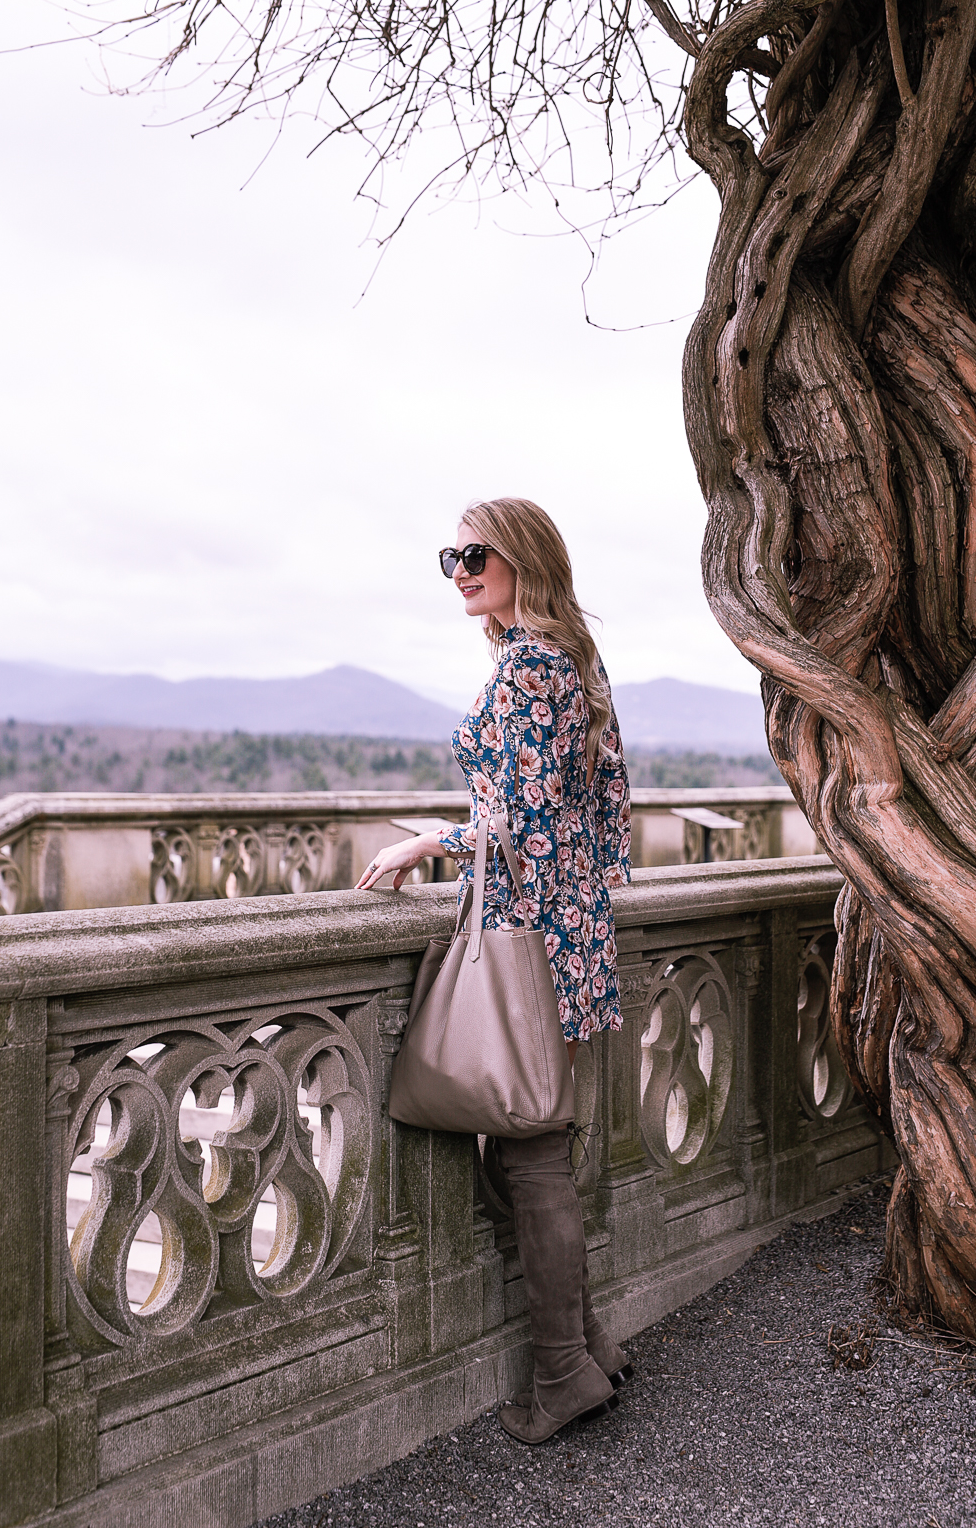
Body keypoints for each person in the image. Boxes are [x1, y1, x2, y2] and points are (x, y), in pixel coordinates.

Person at [356, 496, 634, 1443]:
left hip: (524, 929)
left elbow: (517, 821)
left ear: (524, 559)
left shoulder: (529, 668)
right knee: (540, 1145)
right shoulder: (576, 665)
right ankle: (590, 1345)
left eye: (477, 554)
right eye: (451, 556)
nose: (462, 570)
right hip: (569, 927)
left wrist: (424, 845)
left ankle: (562, 1372)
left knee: (531, 1152)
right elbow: (600, 821)